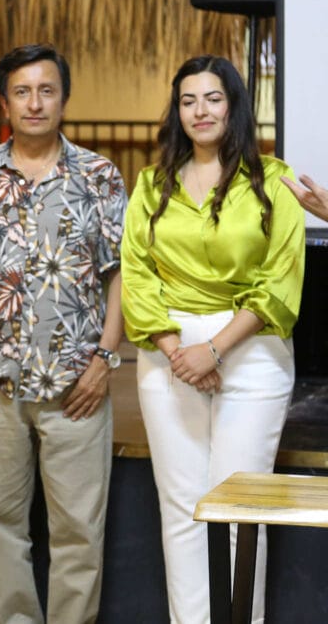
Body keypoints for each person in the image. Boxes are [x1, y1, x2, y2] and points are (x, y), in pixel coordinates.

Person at [121, 55, 305, 623]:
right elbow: (136, 272)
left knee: (239, 509)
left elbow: (280, 278)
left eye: (213, 98)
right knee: (181, 510)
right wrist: (180, 353)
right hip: (167, 356)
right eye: (188, 100)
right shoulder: (152, 185)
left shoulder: (275, 180)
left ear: (235, 106)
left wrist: (215, 350)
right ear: (177, 112)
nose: (200, 110)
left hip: (251, 352)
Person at [0, 44, 126, 624]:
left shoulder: (98, 175)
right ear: (4, 101)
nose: (34, 102)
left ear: (64, 98)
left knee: (78, 530)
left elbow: (120, 272)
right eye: (22, 91)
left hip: (77, 384)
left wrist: (105, 357)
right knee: (0, 525)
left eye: (46, 90)